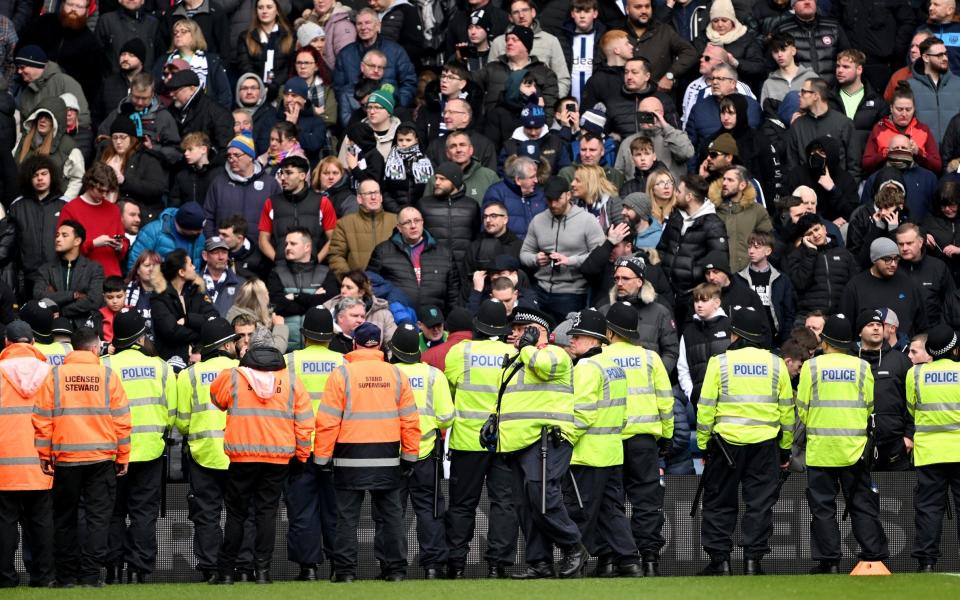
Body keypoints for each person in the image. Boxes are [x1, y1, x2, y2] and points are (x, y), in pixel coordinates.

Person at [314, 322, 420, 582]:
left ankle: (346, 572)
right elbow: (410, 421)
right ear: (381, 344)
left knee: (346, 518)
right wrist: (409, 456)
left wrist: (321, 459)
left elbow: (327, 422)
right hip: (387, 457)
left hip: (349, 457)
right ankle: (394, 570)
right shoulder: (396, 375)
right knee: (392, 516)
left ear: (354, 344)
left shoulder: (342, 375)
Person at [208, 326, 313, 585]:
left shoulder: (233, 375)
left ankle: (226, 572)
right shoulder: (290, 380)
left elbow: (217, 399)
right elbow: (304, 423)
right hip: (277, 458)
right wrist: (301, 456)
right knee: (267, 514)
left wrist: (240, 363)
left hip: (242, 456)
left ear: (249, 348)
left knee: (236, 514)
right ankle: (263, 571)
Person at [696, 306, 794, 576]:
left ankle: (720, 562)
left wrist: (703, 444)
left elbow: (705, 408)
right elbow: (787, 410)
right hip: (765, 444)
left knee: (719, 503)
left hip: (726, 444)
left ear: (735, 334)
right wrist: (785, 449)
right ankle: (753, 561)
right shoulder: (776, 363)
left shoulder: (720, 362)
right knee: (759, 504)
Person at [33, 326, 130, 588]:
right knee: (98, 518)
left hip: (66, 458)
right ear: (95, 348)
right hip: (101, 457)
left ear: (73, 348)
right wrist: (123, 456)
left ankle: (66, 577)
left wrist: (44, 454)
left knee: (64, 518)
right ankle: (90, 576)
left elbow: (42, 419)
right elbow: (122, 420)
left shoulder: (55, 376)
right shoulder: (107, 376)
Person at [496, 307, 585, 579]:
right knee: (525, 505)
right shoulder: (515, 358)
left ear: (540, 332)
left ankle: (573, 546)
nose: (516, 334)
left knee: (542, 496)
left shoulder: (555, 354)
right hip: (517, 442)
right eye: (515, 329)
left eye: (523, 330)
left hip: (547, 438)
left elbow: (542, 367)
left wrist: (526, 348)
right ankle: (539, 562)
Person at [796, 313, 888, 574]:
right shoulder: (862, 367)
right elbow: (870, 405)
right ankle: (873, 557)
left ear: (824, 341)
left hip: (821, 450)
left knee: (823, 508)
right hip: (854, 449)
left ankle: (830, 561)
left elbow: (801, 408)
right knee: (861, 503)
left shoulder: (812, 367)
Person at [442, 299, 518, 578]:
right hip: (505, 440)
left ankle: (456, 565)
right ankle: (498, 565)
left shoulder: (460, 352)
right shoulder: (514, 352)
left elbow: (450, 388)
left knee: (462, 505)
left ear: (478, 325)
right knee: (504, 504)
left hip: (467, 441)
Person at [562, 308, 641, 577]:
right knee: (611, 511)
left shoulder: (585, 368)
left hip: (587, 454)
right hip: (612, 452)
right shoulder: (614, 367)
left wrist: (564, 439)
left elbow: (582, 414)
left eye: (578, 335)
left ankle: (574, 565)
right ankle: (630, 562)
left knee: (580, 512)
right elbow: (624, 412)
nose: (571, 340)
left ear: (594, 339)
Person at [101, 311, 176, 584]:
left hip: (112, 452)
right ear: (140, 337)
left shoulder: (104, 365)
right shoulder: (161, 367)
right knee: (144, 513)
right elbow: (172, 413)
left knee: (113, 512)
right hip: (151, 451)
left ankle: (113, 568)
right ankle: (138, 570)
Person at [600, 301, 674, 575]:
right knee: (647, 502)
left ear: (610, 332)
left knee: (611, 503)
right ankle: (650, 560)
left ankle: (612, 561)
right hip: (644, 442)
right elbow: (666, 402)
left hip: (610, 442)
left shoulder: (600, 358)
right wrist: (666, 438)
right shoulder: (650, 358)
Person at [174, 317, 239, 582]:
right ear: (225, 345)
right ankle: (239, 567)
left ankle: (211, 568)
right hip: (238, 453)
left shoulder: (190, 374)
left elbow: (181, 419)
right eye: (233, 341)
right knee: (240, 514)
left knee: (207, 515)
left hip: (203, 454)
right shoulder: (241, 369)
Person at [387, 324, 455, 579]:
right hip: (426, 452)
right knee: (429, 511)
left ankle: (394, 568)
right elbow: (447, 418)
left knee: (393, 512)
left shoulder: (389, 374)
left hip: (393, 454)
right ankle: (432, 567)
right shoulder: (434, 375)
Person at [282, 307, 344, 581]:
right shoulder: (344, 362)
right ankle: (338, 564)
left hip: (300, 447)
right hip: (335, 448)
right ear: (330, 336)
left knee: (302, 510)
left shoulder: (289, 362)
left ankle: (308, 568)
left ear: (304, 335)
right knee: (336, 510)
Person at [0, 321, 54, 589]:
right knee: (42, 522)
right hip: (42, 463)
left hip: (4, 465)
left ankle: (6, 578)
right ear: (33, 343)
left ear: (7, 343)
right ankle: (43, 577)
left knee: (5, 523)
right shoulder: (50, 373)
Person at [906, 323, 960, 572]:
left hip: (928, 452)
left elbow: (911, 409)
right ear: (955, 349)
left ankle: (926, 563)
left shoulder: (915, 374)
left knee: (928, 509)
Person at [519, 176, 605, 324]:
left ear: (568, 195)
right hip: (541, 289)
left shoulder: (587, 220)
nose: (553, 204)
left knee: (565, 341)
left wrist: (569, 261)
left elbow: (599, 256)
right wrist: (536, 259)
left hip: (572, 292)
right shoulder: (538, 220)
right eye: (549, 200)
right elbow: (524, 254)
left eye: (557, 199)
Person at [656, 174, 728, 323]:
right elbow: (662, 248)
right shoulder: (676, 217)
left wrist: (697, 284)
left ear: (689, 197)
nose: (675, 194)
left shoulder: (713, 224)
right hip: (667, 293)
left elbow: (717, 263)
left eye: (679, 191)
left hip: (693, 297)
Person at [367, 206, 461, 313]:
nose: (413, 226)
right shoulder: (383, 251)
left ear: (422, 223)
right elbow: (370, 286)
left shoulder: (444, 253)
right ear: (399, 227)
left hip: (435, 322)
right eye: (407, 222)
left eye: (417, 221)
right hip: (397, 320)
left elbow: (454, 294)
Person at [841, 238, 928, 339]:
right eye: (887, 259)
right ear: (874, 259)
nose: (893, 264)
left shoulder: (908, 284)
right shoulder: (855, 286)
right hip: (866, 352)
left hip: (904, 351)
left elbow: (922, 324)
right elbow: (846, 326)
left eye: (896, 259)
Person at [202, 131, 282, 242]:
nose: (232, 159)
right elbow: (208, 216)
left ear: (250, 157)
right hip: (224, 251)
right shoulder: (218, 183)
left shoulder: (270, 184)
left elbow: (279, 219)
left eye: (237, 155)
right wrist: (213, 243)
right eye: (229, 155)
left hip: (259, 251)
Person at [266, 228, 337, 350]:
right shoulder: (276, 272)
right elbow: (277, 305)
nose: (287, 247)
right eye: (286, 244)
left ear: (307, 247)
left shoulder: (325, 273)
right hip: (284, 347)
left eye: (293, 243)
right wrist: (313, 300)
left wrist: (296, 297)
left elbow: (330, 303)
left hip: (318, 347)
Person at [258, 155, 336, 264]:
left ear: (302, 176)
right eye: (282, 173)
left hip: (313, 269)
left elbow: (333, 239)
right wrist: (277, 260)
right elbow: (263, 240)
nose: (283, 178)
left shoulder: (322, 202)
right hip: (281, 270)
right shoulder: (271, 203)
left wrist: (317, 260)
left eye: (289, 173)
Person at [8, 156, 67, 299]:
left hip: (58, 275)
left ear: (51, 175)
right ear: (29, 178)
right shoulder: (17, 206)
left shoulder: (64, 204)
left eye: (44, 174)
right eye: (35, 175)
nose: (40, 178)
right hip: (26, 276)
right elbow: (11, 243)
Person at [57, 164, 128, 278]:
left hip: (111, 276)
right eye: (100, 190)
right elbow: (64, 249)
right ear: (89, 184)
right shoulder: (71, 209)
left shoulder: (113, 209)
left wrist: (119, 246)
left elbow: (123, 242)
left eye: (107, 191)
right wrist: (93, 244)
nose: (104, 195)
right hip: (83, 278)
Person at [486, 0, 569, 96]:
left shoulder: (550, 41)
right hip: (505, 104)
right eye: (516, 12)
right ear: (510, 17)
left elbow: (562, 78)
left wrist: (552, 103)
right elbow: (490, 78)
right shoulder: (499, 42)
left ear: (533, 13)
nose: (521, 16)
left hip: (541, 105)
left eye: (525, 10)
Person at [151, 249, 218, 368]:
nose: (194, 267)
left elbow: (214, 319)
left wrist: (188, 320)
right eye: (190, 264)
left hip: (199, 361)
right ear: (181, 272)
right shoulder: (159, 297)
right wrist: (201, 332)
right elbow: (171, 332)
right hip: (170, 363)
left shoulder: (197, 291)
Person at [34, 220, 104, 330]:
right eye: (57, 235)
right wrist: (73, 295)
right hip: (53, 327)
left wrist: (61, 310)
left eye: (64, 235)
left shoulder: (94, 268)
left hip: (85, 328)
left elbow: (94, 301)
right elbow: (39, 296)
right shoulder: (45, 269)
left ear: (77, 241)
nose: (58, 239)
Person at [862, 82, 942, 177]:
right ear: (891, 108)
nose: (904, 114)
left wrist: (918, 152)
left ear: (914, 109)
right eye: (899, 109)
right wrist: (887, 152)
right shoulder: (879, 128)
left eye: (908, 109)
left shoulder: (923, 129)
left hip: (916, 179)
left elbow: (937, 166)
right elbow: (866, 164)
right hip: (887, 178)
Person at [784, 78, 858, 180]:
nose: (799, 94)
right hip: (806, 191)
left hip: (838, 189)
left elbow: (854, 165)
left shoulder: (844, 123)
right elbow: (792, 166)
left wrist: (846, 191)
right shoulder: (797, 126)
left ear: (816, 96)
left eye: (803, 92)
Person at [14, 97, 85, 200]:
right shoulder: (24, 141)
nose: (42, 120)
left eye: (48, 117)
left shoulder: (68, 146)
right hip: (25, 201)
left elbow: (78, 177)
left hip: (53, 204)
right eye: (40, 116)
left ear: (56, 122)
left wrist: (65, 200)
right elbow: (13, 169)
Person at [327, 179, 398, 279]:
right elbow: (336, 256)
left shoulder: (396, 221)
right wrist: (351, 280)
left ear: (381, 197)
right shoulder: (344, 223)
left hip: (392, 286)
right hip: (358, 287)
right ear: (359, 199)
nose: (373, 197)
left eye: (376, 193)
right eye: (368, 193)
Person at [155, 18, 232, 110]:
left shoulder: (211, 61)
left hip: (205, 112)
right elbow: (155, 88)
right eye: (175, 32)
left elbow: (224, 94)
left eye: (183, 31)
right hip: (171, 111)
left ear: (195, 35)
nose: (178, 34)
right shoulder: (164, 60)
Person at [709, 165, 773, 273]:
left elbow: (768, 243)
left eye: (730, 180)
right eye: (724, 179)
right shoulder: (711, 209)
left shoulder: (757, 211)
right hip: (718, 275)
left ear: (742, 185)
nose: (724, 183)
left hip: (749, 276)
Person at [737, 231, 795, 345]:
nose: (751, 251)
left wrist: (784, 339)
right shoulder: (738, 278)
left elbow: (789, 313)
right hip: (745, 338)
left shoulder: (782, 279)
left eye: (756, 247)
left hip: (775, 340)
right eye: (749, 247)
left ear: (768, 251)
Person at [235, 0, 295, 102]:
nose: (264, 11)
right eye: (260, 8)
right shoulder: (245, 37)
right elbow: (245, 67)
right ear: (256, 11)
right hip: (255, 92)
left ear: (277, 11)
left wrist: (275, 85)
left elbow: (289, 68)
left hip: (282, 90)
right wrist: (260, 86)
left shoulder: (290, 36)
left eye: (269, 7)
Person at [896, 223, 954, 327]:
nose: (904, 248)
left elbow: (951, 302)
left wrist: (942, 329)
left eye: (909, 243)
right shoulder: (893, 268)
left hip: (934, 332)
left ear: (920, 242)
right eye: (900, 244)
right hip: (901, 334)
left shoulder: (938, 267)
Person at [126, 202, 206, 272]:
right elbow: (134, 264)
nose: (201, 232)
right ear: (185, 226)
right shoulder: (152, 232)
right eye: (197, 230)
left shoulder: (199, 237)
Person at [908, 36, 960, 143]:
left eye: (945, 54)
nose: (945, 58)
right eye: (939, 55)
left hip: (954, 156)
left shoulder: (958, 84)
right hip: (924, 154)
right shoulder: (910, 86)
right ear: (926, 58)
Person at [322, 270, 397, 343]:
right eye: (342, 286)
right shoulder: (328, 307)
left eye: (349, 287)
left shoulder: (383, 314)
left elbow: (392, 345)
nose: (343, 291)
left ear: (361, 292)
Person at [225, 278, 290, 353]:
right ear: (261, 299)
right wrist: (279, 327)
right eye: (266, 293)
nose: (268, 296)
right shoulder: (248, 323)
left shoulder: (235, 313)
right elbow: (275, 350)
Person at [759, 32, 818, 104]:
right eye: (775, 51)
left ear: (793, 51)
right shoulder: (769, 84)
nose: (779, 55)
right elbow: (766, 112)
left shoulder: (811, 77)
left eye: (783, 50)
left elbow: (820, 107)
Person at [200, 236, 246, 317]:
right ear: (205, 255)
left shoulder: (242, 284)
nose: (221, 257)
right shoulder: (193, 283)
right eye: (216, 252)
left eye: (224, 252)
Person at [124, 251, 161, 339]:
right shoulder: (125, 292)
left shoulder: (168, 293)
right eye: (147, 265)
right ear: (138, 270)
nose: (151, 269)